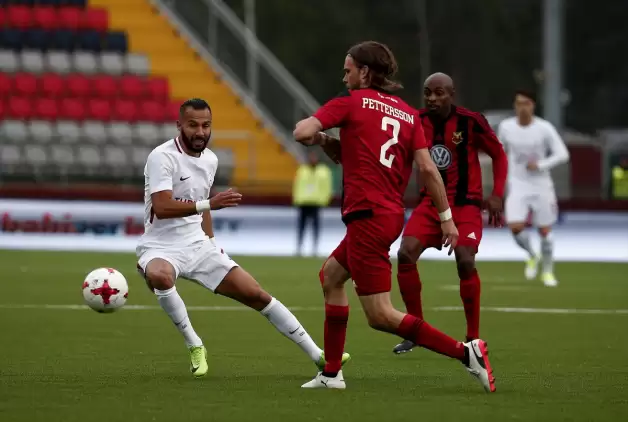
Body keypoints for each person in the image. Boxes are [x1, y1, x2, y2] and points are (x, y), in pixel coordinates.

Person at [293, 42, 495, 392]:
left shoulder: (350, 102)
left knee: (380, 315)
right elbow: (428, 169)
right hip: (387, 215)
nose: (345, 76)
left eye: (348, 69)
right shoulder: (407, 113)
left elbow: (302, 132)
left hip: (367, 217)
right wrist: (447, 218)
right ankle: (331, 373)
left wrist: (322, 136)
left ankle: (466, 353)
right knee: (330, 277)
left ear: (365, 72)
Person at [135, 98, 349, 378]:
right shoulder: (161, 157)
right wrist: (209, 204)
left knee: (257, 295)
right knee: (161, 277)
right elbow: (162, 208)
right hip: (160, 247)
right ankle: (195, 345)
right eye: (193, 126)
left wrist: (211, 243)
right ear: (179, 126)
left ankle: (318, 355)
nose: (200, 132)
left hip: (198, 245)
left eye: (206, 125)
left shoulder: (210, 159)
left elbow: (203, 205)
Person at [392, 73, 508, 355]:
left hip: (466, 205)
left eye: (439, 93)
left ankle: (472, 338)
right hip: (430, 205)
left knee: (465, 260)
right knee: (405, 253)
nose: (432, 98)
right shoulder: (415, 121)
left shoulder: (471, 122)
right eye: (427, 93)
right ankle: (415, 330)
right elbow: (403, 158)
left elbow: (499, 154)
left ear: (452, 94)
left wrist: (497, 194)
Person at [497, 90, 570, 287]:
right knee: (515, 227)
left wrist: (540, 165)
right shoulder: (506, 127)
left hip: (541, 185)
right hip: (517, 184)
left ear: (533, 106)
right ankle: (532, 254)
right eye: (519, 103)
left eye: (526, 103)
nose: (522, 107)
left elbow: (563, 154)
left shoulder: (544, 128)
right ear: (515, 106)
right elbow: (500, 151)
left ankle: (548, 272)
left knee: (545, 231)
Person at [292, 150, 333, 256]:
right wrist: (296, 198)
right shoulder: (302, 170)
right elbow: (297, 185)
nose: (312, 159)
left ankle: (315, 247)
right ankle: (299, 247)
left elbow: (327, 186)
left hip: (316, 202)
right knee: (301, 226)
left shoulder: (324, 171)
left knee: (315, 226)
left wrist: (326, 199)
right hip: (303, 202)